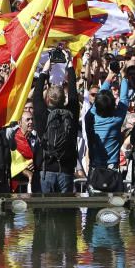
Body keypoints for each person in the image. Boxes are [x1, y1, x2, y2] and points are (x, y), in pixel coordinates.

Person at [33, 59, 80, 193]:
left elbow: (36, 96)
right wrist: (70, 66)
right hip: (65, 172)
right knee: (65, 211)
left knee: (44, 211)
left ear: (47, 99)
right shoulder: (71, 113)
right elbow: (73, 95)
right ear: (64, 99)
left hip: (45, 171)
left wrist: (44, 71)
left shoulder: (42, 115)